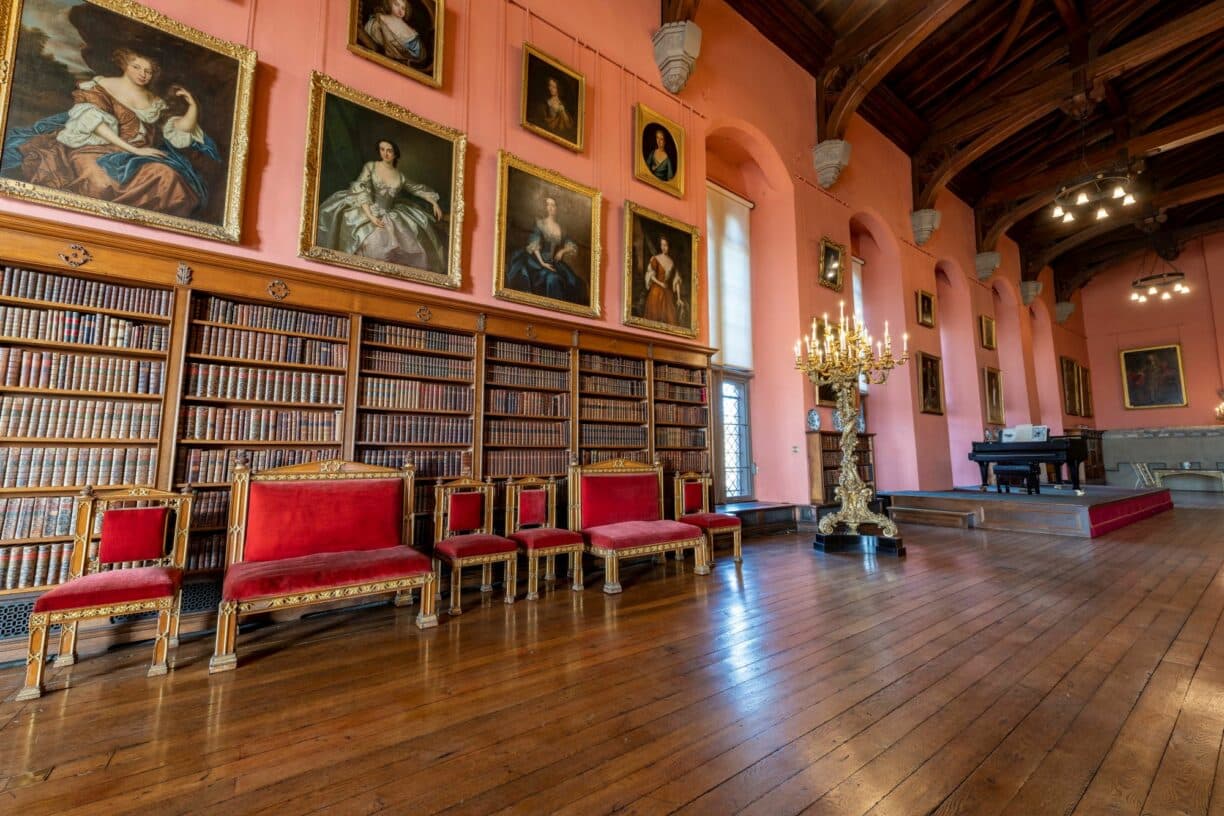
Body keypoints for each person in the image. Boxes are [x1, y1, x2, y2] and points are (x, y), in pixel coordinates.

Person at [2, 48, 218, 217]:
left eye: (148, 71)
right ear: (125, 65)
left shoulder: (155, 102)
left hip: (136, 157)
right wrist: (133, 149)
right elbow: (96, 124)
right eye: (137, 67)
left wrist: (192, 107)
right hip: (96, 149)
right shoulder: (101, 86)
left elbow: (178, 130)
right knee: (100, 184)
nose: (143, 74)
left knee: (169, 178)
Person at [315, 138, 447, 274]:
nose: (385, 153)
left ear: (395, 154)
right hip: (368, 209)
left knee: (412, 247)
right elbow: (362, 189)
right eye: (382, 149)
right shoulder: (371, 166)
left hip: (391, 214)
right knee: (374, 245)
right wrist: (371, 216)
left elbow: (416, 189)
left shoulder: (400, 176)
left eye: (389, 150)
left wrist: (434, 202)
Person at [505, 196, 586, 304]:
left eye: (553, 205)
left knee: (576, 282)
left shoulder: (561, 229)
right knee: (553, 279)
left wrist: (562, 251)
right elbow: (535, 243)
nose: (550, 208)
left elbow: (571, 244)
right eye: (548, 205)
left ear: (557, 208)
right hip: (537, 261)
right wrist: (542, 263)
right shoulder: (541, 224)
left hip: (554, 263)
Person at [364, 0, 428, 66]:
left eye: (403, 8)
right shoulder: (380, 20)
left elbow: (418, 53)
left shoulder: (411, 31)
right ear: (390, 3)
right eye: (396, 5)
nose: (400, 10)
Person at [642, 236, 685, 326]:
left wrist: (679, 298)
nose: (663, 247)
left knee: (671, 320)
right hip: (656, 292)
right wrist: (660, 283)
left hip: (667, 293)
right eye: (662, 245)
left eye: (665, 245)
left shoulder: (672, 262)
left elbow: (676, 280)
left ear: (669, 246)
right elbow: (650, 275)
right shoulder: (656, 258)